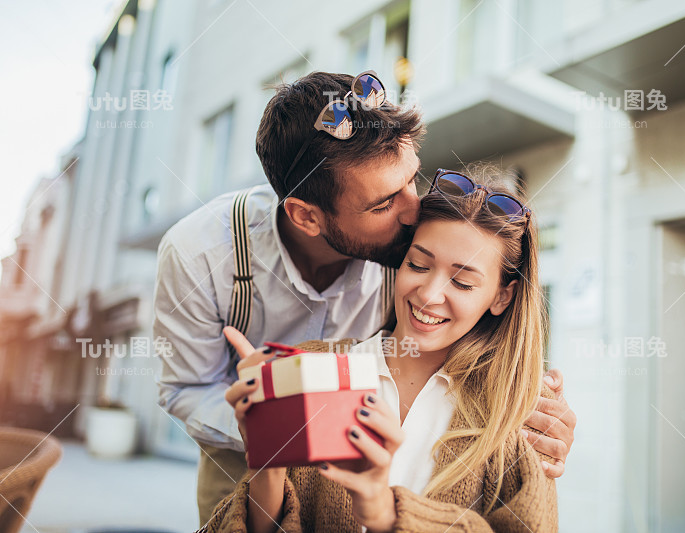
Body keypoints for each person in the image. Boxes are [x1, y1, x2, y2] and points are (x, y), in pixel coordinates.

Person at [152, 71, 576, 525]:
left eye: (412, 179)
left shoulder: (412, 238)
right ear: (306, 217)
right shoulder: (201, 253)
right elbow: (186, 389)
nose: (414, 210)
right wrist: (276, 422)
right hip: (246, 457)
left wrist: (534, 413)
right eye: (384, 204)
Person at [208, 169, 559, 532]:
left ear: (502, 297)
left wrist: (385, 514)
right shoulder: (312, 368)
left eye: (462, 282)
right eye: (418, 265)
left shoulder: (520, 409)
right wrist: (267, 467)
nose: (429, 294)